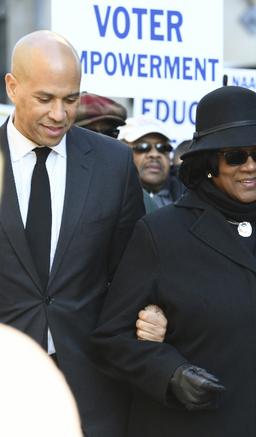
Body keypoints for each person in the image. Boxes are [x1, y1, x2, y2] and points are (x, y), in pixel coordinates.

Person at [92, 86, 256, 436]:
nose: (250, 166)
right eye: (235, 155)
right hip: (195, 425)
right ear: (210, 162)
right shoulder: (162, 232)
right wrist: (170, 374)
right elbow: (113, 336)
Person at [0, 30, 145, 435]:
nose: (60, 114)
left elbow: (134, 271)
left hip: (93, 385)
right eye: (45, 98)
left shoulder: (113, 162)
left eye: (71, 98)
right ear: (12, 86)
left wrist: (152, 310)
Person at [74, 92, 159, 214]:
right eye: (89, 133)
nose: (100, 141)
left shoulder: (136, 194)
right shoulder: (51, 179)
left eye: (109, 133)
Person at [119, 116, 184, 208]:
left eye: (163, 147)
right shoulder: (110, 194)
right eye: (142, 147)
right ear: (120, 152)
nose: (154, 154)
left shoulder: (190, 190)